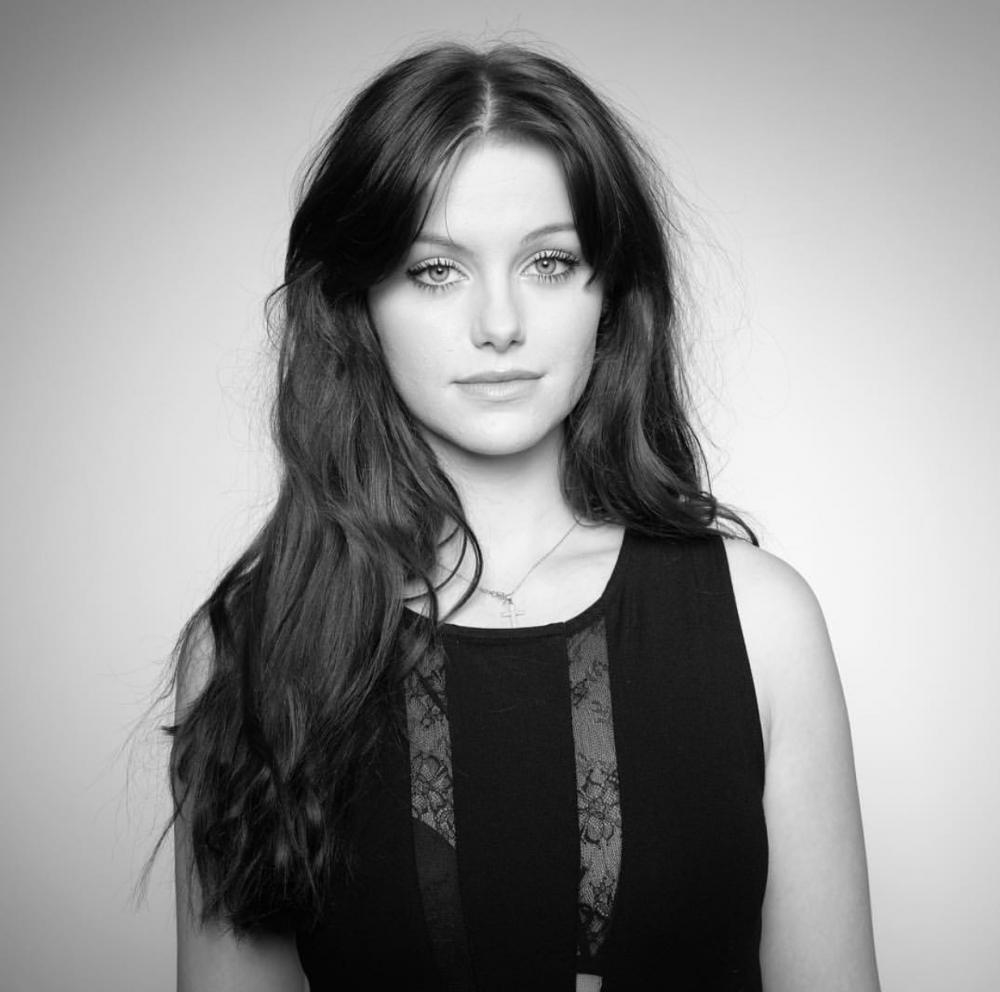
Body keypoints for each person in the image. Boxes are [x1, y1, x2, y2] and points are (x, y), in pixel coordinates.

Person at [169, 41, 881, 992]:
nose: (498, 324)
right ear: (357, 301)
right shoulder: (254, 649)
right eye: (435, 270)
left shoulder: (763, 623)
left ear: (610, 293)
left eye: (549, 262)